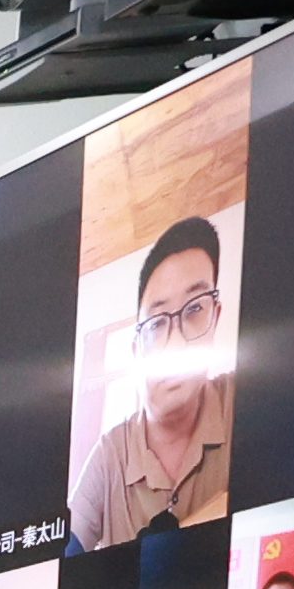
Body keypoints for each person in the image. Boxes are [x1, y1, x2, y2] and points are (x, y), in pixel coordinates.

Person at [76, 215, 231, 553]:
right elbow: (61, 554)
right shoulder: (109, 454)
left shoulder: (243, 400)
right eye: (157, 324)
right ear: (136, 350)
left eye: (194, 309)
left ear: (216, 316)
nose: (176, 343)